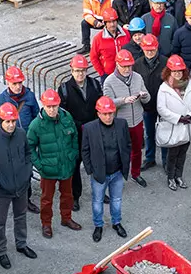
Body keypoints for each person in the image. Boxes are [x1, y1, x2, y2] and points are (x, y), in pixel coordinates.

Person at [0, 103, 37, 269]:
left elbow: (28, 154)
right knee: (0, 222)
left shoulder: (21, 134)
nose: (11, 124)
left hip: (21, 187)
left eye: (13, 121)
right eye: (7, 121)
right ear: (1, 121)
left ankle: (21, 244)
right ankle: (2, 251)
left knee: (21, 216)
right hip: (2, 191)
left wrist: (27, 173)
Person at [28, 89, 81, 237]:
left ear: (59, 105)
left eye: (54, 106)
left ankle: (66, 218)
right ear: (43, 105)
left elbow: (74, 136)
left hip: (66, 165)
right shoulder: (36, 125)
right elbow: (29, 147)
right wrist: (39, 165)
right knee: (46, 199)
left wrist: (74, 154)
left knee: (67, 195)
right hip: (48, 169)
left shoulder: (66, 117)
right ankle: (46, 224)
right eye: (48, 106)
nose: (52, 109)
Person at [81, 96, 132, 240]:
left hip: (117, 172)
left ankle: (117, 222)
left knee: (116, 199)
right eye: (105, 114)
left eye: (111, 113)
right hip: (99, 173)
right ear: (98, 113)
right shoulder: (89, 128)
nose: (108, 117)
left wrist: (125, 164)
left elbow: (128, 144)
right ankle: (98, 225)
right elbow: (85, 150)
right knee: (97, 201)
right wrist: (90, 170)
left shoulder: (122, 124)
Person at [59, 56, 103, 211]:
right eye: (77, 71)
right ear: (72, 71)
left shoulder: (95, 85)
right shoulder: (64, 89)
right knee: (75, 166)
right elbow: (63, 115)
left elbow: (100, 107)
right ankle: (75, 196)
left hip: (93, 132)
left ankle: (100, 192)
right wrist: (78, 126)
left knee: (97, 163)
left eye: (83, 71)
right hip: (75, 135)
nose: (80, 74)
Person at [102, 49, 149, 187]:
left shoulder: (138, 77)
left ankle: (136, 174)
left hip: (138, 121)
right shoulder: (109, 81)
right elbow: (107, 103)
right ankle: (116, 178)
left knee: (137, 150)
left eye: (129, 66)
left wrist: (145, 96)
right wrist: (123, 100)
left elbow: (147, 99)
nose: (128, 69)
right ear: (117, 64)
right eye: (124, 66)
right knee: (118, 153)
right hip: (120, 123)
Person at [156, 55, 191, 191]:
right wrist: (177, 118)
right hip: (173, 126)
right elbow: (161, 108)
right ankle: (171, 177)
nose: (177, 73)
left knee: (183, 153)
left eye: (180, 70)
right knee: (173, 154)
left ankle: (179, 176)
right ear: (169, 71)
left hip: (188, 125)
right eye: (174, 71)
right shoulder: (164, 88)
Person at [137, 33, 168, 171]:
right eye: (147, 49)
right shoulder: (137, 65)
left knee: (165, 133)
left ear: (157, 48)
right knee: (149, 133)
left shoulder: (166, 63)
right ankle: (150, 158)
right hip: (147, 107)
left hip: (164, 106)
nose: (149, 52)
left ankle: (166, 161)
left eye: (152, 49)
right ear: (142, 49)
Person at [0, 67, 41, 134]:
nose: (18, 87)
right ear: (7, 83)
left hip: (29, 137)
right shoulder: (0, 100)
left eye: (20, 82)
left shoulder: (30, 96)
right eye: (14, 84)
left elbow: (37, 117)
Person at [90, 9, 131, 78]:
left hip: (126, 72)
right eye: (109, 22)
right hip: (108, 74)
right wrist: (102, 73)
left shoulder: (126, 33)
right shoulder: (98, 38)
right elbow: (93, 57)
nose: (112, 24)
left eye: (114, 21)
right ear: (104, 23)